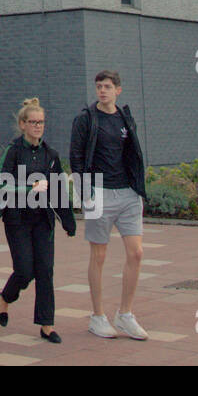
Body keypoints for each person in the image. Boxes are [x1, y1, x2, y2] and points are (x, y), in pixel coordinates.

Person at [69, 70, 149, 340]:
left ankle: (125, 315)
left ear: (118, 90)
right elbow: (76, 157)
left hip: (127, 193)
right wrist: (84, 195)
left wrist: (138, 186)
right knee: (99, 256)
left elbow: (134, 153)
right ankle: (98, 316)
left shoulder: (126, 118)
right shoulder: (85, 119)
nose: (102, 90)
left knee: (136, 253)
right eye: (99, 86)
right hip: (98, 192)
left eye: (107, 86)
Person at [0, 98, 75, 343]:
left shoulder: (51, 155)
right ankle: (5, 298)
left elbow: (58, 189)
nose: (38, 126)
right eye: (33, 122)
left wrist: (68, 221)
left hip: (42, 221)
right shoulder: (13, 151)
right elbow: (1, 183)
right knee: (24, 271)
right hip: (17, 220)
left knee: (45, 271)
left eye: (41, 122)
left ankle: (46, 325)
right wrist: (30, 187)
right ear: (22, 124)